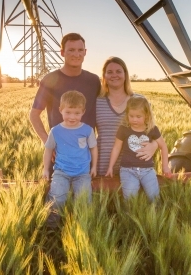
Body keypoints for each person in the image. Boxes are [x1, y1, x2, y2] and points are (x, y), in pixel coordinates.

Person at [30, 33, 101, 144]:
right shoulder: (50, 79)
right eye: (71, 50)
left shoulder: (94, 80)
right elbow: (34, 114)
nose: (76, 54)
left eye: (80, 50)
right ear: (62, 52)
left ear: (85, 52)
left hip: (87, 151)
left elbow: (101, 113)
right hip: (60, 150)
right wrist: (47, 141)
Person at [96, 56, 157, 176]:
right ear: (104, 76)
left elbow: (153, 130)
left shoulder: (140, 100)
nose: (114, 75)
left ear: (125, 74)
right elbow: (85, 132)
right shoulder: (97, 102)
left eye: (118, 71)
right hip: (103, 166)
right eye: (109, 72)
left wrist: (154, 146)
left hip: (137, 167)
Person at [42, 90, 98, 220]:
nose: (72, 117)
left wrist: (94, 166)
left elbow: (94, 148)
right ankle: (52, 226)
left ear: (83, 112)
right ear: (60, 109)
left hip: (83, 173)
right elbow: (48, 150)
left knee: (84, 200)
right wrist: (45, 169)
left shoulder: (87, 130)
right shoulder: (55, 131)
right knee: (57, 198)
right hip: (61, 172)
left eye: (77, 113)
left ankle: (81, 225)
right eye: (68, 112)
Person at [105, 96, 171, 202]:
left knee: (154, 198)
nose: (134, 119)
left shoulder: (152, 130)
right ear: (127, 115)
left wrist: (165, 167)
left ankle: (154, 217)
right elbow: (116, 148)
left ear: (146, 115)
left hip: (148, 171)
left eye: (138, 116)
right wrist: (110, 167)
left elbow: (163, 146)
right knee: (130, 200)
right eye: (131, 116)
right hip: (127, 170)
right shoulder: (123, 129)